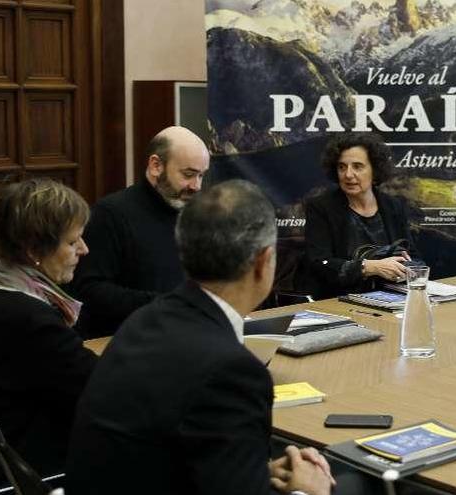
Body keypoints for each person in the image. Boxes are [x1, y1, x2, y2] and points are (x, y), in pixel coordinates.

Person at [66, 180, 335, 495]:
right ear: (264, 262)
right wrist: (308, 492)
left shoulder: (146, 319)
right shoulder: (231, 370)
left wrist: (256, 472)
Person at [0, 179, 97, 485]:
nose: (84, 250)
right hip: (31, 474)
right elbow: (99, 391)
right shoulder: (30, 320)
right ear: (34, 250)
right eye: (72, 242)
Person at [69, 126, 210, 337]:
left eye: (201, 176)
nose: (196, 186)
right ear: (156, 166)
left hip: (185, 336)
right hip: (126, 343)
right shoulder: (111, 214)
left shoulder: (195, 214)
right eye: (188, 174)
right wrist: (164, 304)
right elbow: (88, 290)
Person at [301, 133, 417, 298]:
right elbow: (319, 264)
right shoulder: (321, 207)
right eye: (342, 167)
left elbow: (414, 257)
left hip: (392, 297)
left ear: (374, 170)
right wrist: (369, 267)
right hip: (338, 300)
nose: (348, 175)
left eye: (357, 166)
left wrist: (406, 266)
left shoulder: (393, 206)